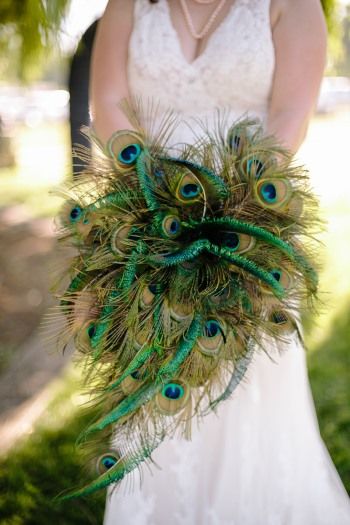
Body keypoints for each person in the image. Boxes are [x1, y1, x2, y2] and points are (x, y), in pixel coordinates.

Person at [89, 1, 350, 523]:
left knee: (247, 396)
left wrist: (229, 209)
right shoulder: (129, 4)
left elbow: (288, 117)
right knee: (154, 386)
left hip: (246, 226)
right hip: (148, 223)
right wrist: (152, 199)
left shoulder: (290, 6)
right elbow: (109, 101)